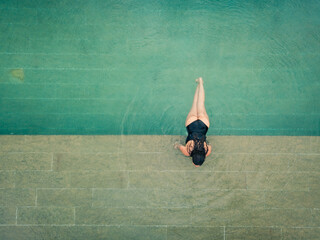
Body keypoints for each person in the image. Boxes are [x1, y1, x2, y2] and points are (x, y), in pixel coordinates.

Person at [174, 77, 212, 167]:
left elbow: (209, 145)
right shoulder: (187, 152)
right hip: (191, 124)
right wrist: (175, 145)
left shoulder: (207, 151)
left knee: (201, 102)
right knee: (195, 102)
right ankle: (199, 83)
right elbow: (177, 145)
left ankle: (200, 83)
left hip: (203, 123)